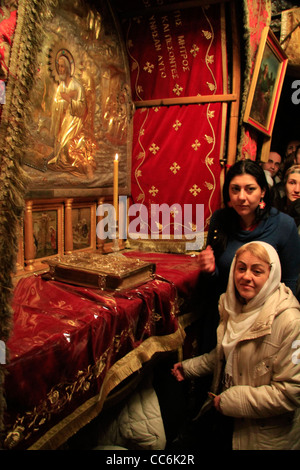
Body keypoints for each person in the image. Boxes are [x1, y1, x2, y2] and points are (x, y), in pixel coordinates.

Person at [172, 241, 300, 450]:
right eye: (241, 268)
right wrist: (189, 368)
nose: (246, 277)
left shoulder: (291, 322)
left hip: (261, 436)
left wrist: (231, 401)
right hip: (225, 421)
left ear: (272, 276)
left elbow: (291, 392)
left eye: (257, 271)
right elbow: (227, 356)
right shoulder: (233, 306)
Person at [198, 160, 300, 296]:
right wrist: (209, 270)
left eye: (250, 189)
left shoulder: (284, 225)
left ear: (263, 191)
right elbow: (217, 281)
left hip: (267, 311)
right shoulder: (220, 219)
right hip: (225, 307)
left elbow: (290, 282)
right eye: (235, 189)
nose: (241, 197)